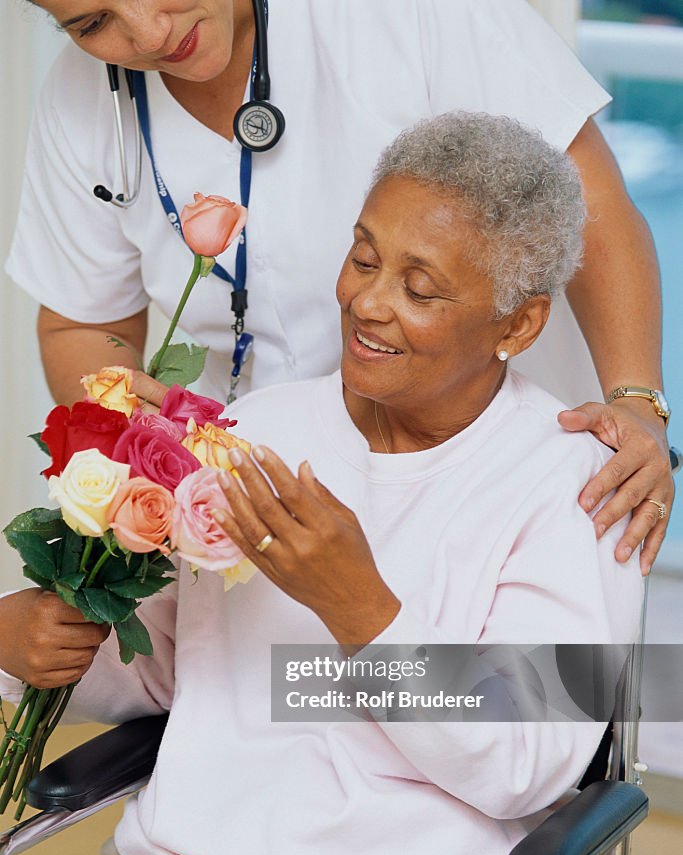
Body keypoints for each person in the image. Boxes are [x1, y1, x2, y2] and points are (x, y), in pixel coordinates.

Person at [0, 111, 644, 855]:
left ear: (518, 321)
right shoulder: (256, 431)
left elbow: (526, 772)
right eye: (364, 258)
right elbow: (162, 675)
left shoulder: (579, 482)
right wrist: (36, 633)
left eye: (421, 289)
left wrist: (363, 611)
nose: (369, 303)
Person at [8, 0, 673, 574]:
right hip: (273, 501)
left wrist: (638, 398)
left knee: (477, 703)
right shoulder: (82, 98)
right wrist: (141, 464)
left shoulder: (405, 16)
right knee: (290, 700)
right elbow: (82, 322)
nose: (150, 32)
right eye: (94, 22)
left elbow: (595, 213)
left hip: (491, 473)